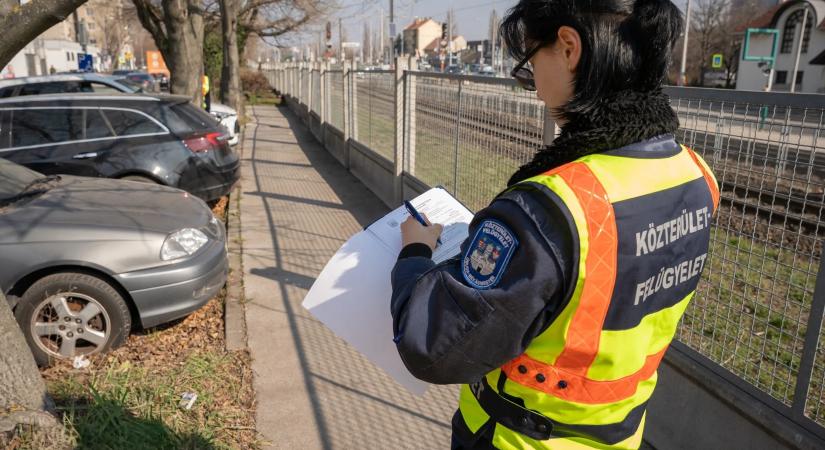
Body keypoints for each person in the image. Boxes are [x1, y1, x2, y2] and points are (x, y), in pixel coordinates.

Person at [390, 0, 720, 449]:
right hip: (620, 434)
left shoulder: (547, 210)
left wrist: (414, 255)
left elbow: (433, 346)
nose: (534, 87)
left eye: (529, 60)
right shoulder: (696, 178)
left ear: (568, 48)